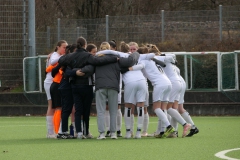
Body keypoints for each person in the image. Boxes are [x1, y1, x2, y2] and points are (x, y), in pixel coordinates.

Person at [63, 37, 120, 139]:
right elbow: (93, 65)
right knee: (87, 110)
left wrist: (74, 72)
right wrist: (114, 58)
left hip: (75, 86)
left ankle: (79, 132)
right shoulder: (89, 56)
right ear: (85, 45)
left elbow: (65, 68)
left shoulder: (71, 56)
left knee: (78, 110)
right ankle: (92, 132)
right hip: (87, 85)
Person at [137, 46, 175, 138]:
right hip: (168, 83)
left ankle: (169, 127)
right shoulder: (155, 59)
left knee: (156, 108)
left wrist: (129, 68)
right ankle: (162, 131)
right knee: (163, 108)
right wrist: (162, 55)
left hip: (159, 84)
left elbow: (139, 66)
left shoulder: (143, 61)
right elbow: (172, 57)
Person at [154, 53, 191, 138]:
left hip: (173, 84)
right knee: (173, 108)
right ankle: (174, 132)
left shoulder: (164, 59)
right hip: (179, 83)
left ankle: (185, 124)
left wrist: (160, 55)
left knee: (167, 108)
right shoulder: (171, 63)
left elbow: (169, 56)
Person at [44, 40, 67, 138]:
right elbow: (53, 61)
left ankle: (55, 130)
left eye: (66, 47)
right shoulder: (55, 55)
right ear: (58, 47)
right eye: (63, 47)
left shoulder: (58, 55)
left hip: (57, 82)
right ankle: (50, 132)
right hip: (50, 82)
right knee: (51, 106)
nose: (65, 49)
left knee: (57, 106)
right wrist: (63, 57)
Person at [104, 40, 123, 137]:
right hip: (106, 85)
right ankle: (108, 129)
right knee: (107, 107)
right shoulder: (102, 58)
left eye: (110, 48)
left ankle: (118, 129)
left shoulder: (118, 58)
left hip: (116, 85)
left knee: (117, 107)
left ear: (114, 49)